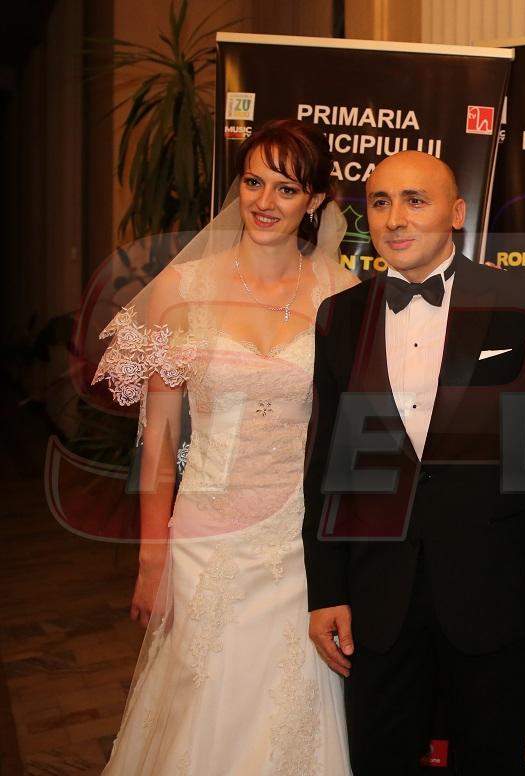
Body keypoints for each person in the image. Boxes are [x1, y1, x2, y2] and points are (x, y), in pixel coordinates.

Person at [93, 119, 356, 774]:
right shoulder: (181, 289)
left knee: (288, 717)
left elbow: (348, 439)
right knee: (201, 710)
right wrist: (152, 556)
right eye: (254, 182)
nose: (265, 202)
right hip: (204, 540)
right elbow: (158, 438)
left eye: (286, 189)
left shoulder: (342, 293)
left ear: (315, 200)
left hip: (296, 545)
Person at [302, 150, 525, 776]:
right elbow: (327, 460)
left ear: (457, 213)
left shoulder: (523, 298)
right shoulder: (340, 316)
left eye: (416, 200)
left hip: (491, 586)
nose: (395, 219)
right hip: (378, 592)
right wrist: (327, 590)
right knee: (378, 757)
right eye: (380, 202)